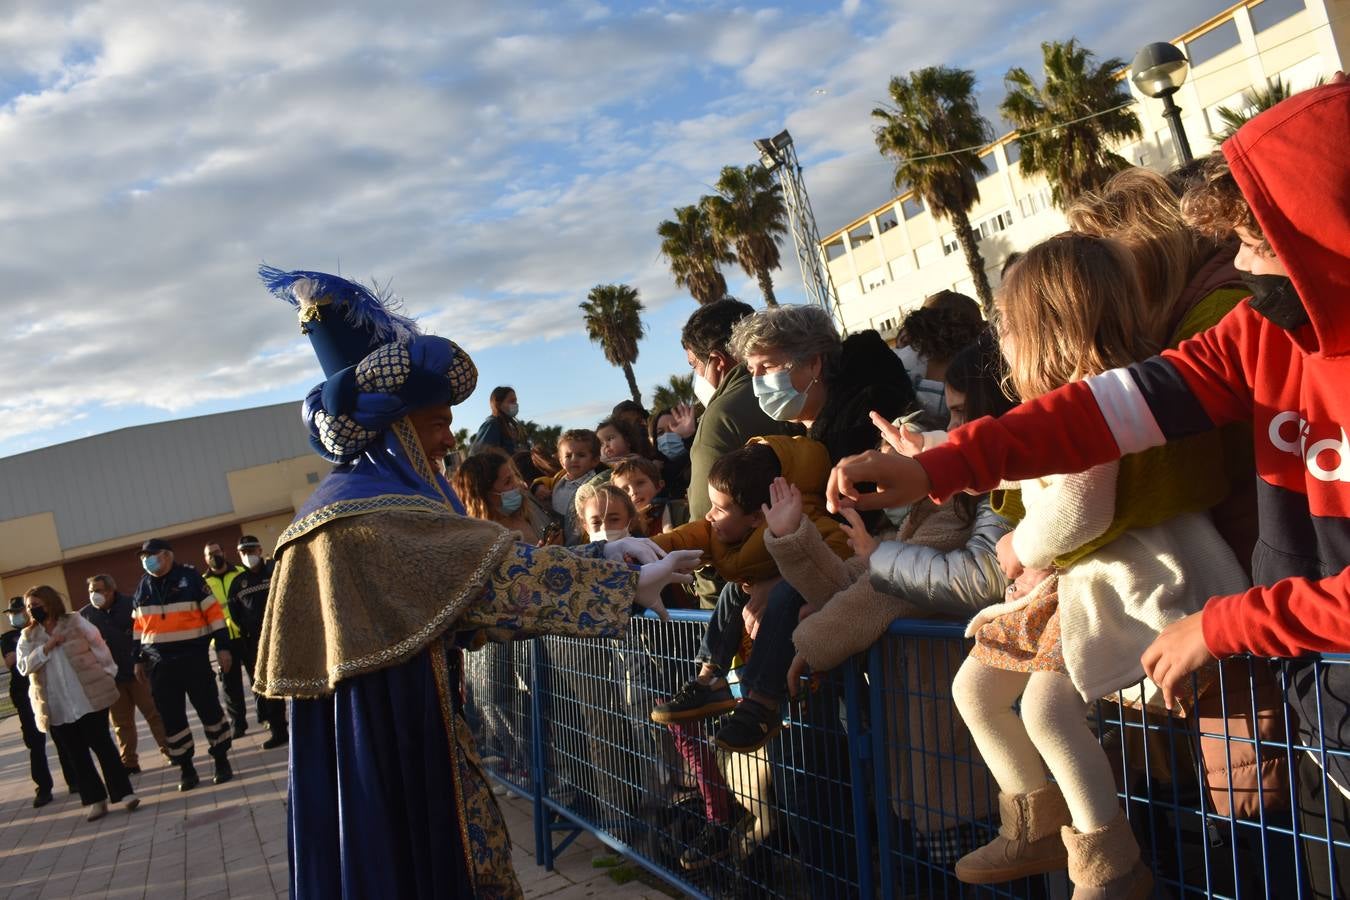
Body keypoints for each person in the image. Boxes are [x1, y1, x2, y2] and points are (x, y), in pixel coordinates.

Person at [253, 265, 699, 898]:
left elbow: (468, 588)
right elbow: (496, 580)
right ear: (394, 429)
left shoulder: (340, 505)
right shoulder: (374, 513)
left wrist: (608, 560)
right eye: (436, 422)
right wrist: (621, 582)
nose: (448, 437)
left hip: (377, 729)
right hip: (396, 732)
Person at [649, 437, 849, 751]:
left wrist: (784, 578)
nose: (710, 515)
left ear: (757, 516)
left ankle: (761, 703)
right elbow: (685, 537)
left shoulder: (807, 520)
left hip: (809, 632)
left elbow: (839, 557)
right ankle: (709, 680)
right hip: (778, 628)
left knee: (783, 594)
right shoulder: (725, 530)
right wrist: (640, 555)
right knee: (731, 591)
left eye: (719, 508)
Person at [681, 300, 796, 606]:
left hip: (745, 593)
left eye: (694, 364)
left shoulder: (720, 417)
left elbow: (708, 526)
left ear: (717, 360)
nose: (695, 375)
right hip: (803, 565)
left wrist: (711, 603)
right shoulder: (794, 387)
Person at [17, 586, 137, 821]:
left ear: (50, 602)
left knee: (103, 746)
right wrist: (46, 647)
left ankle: (124, 794)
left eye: (37, 604)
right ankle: (95, 800)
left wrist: (107, 673)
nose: (34, 610)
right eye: (30, 606)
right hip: (57, 705)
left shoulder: (74, 621)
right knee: (76, 755)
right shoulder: (28, 636)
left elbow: (98, 645)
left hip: (88, 699)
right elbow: (23, 667)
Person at [132, 537, 235, 790]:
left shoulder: (190, 579)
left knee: (209, 709)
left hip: (193, 659)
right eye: (144, 557)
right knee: (171, 718)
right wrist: (136, 658)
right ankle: (186, 768)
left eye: (151, 555)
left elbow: (214, 615)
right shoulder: (143, 586)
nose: (147, 560)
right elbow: (137, 627)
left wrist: (222, 647)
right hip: (159, 665)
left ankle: (221, 759)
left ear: (167, 555)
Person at [81, 574, 170, 773]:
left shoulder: (131, 605)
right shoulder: (85, 616)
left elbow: (148, 634)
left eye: (98, 590)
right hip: (111, 679)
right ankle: (129, 762)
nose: (94, 595)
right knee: (122, 724)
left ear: (111, 590)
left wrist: (143, 660)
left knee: (155, 715)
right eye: (91, 591)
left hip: (140, 673)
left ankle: (170, 751)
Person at [4, 597, 77, 807]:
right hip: (24, 695)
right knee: (35, 744)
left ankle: (74, 780)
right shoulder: (9, 637)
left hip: (48, 689)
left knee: (63, 736)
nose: (15, 616)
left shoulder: (41, 631)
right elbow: (12, 662)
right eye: (11, 613)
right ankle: (43, 788)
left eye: (18, 611)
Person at [229, 536, 289, 749]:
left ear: (260, 549)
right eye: (242, 552)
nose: (247, 555)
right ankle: (279, 731)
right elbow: (234, 613)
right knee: (269, 688)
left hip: (286, 636)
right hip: (258, 643)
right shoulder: (238, 583)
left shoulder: (276, 570)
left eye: (250, 550)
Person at [454, 448, 553, 544]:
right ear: (484, 497)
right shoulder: (489, 542)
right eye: (508, 482)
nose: (517, 484)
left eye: (514, 477)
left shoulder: (528, 507)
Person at [202, 541, 249, 737]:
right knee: (230, 686)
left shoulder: (241, 572)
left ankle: (267, 718)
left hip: (245, 635)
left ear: (224, 551)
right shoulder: (202, 583)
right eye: (209, 554)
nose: (214, 556)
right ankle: (238, 724)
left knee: (257, 678)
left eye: (216, 551)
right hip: (222, 641)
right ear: (205, 559)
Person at [550, 428, 603, 545]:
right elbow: (548, 482)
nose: (574, 459)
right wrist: (538, 485)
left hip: (585, 542)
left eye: (581, 455)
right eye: (568, 456)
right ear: (562, 462)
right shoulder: (559, 480)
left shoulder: (597, 486)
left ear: (594, 461)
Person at [611, 456, 675, 536]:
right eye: (625, 489)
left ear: (658, 485)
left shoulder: (676, 510)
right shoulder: (622, 528)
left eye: (640, 483)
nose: (633, 492)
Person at [650, 405, 695, 502]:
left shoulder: (698, 459)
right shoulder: (656, 471)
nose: (667, 436)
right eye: (660, 432)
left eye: (675, 427)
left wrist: (689, 438)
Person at [468, 386, 526, 455]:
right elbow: (479, 454)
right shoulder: (492, 424)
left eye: (516, 401)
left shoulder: (508, 426)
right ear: (498, 404)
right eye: (511, 401)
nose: (515, 404)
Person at [576, 481, 641, 541]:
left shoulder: (646, 550)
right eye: (596, 522)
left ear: (631, 521)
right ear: (585, 526)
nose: (604, 527)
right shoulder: (579, 553)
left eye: (614, 519)